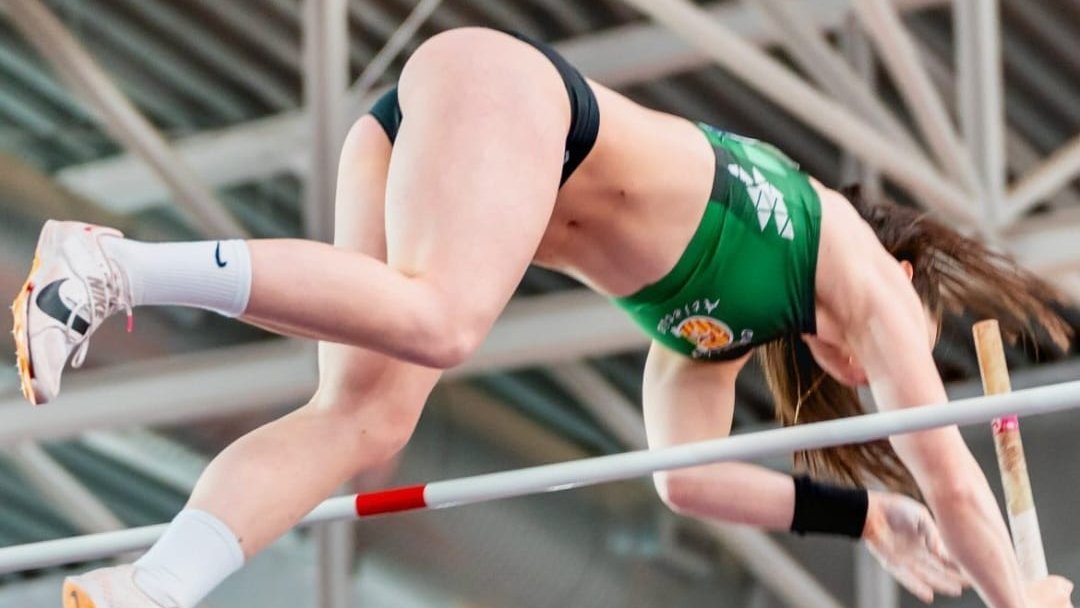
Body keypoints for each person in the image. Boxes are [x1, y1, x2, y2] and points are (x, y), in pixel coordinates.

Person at [12, 28, 1073, 608]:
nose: (884, 358)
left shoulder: (716, 334)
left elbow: (685, 478)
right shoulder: (854, 258)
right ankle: (109, 266)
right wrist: (1018, 596)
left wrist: (864, 520)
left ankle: (154, 583)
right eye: (906, 331)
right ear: (898, 275)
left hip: (441, 135)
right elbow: (950, 473)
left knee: (362, 420)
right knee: (443, 322)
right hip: (517, 100)